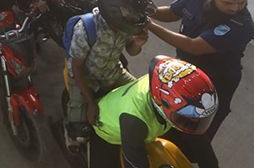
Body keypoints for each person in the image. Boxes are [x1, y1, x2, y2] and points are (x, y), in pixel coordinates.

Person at [146, 0, 254, 167]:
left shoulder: (242, 24)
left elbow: (194, 46)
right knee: (170, 121)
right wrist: (146, 10)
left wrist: (149, 25)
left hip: (216, 83)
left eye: (241, 2)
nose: (236, 7)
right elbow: (171, 12)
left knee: (196, 136)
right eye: (229, 3)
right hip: (185, 73)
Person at [64, 0, 154, 141]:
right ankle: (70, 137)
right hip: (86, 77)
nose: (136, 16)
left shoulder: (125, 26)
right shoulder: (86, 28)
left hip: (113, 72)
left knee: (144, 99)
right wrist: (90, 103)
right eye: (130, 12)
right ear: (113, 11)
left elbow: (131, 51)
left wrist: (138, 43)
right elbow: (77, 68)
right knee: (79, 133)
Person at [90, 56, 218, 168]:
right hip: (107, 131)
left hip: (147, 125)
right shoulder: (135, 120)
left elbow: (199, 142)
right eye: (190, 118)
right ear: (163, 104)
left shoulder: (166, 90)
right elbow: (135, 163)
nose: (194, 122)